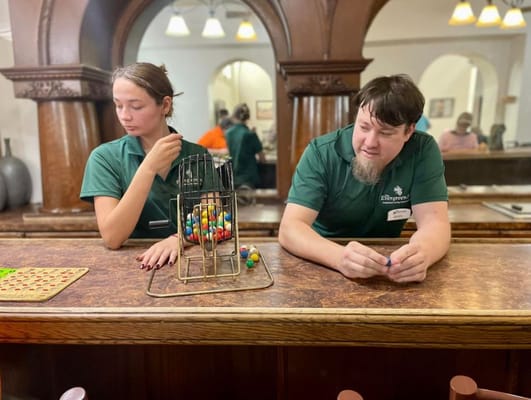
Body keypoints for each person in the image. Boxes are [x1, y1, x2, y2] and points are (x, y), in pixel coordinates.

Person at [278, 74, 450, 283]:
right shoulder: (321, 153)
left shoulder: (423, 150)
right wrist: (339, 257)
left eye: (385, 133)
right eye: (364, 127)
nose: (369, 142)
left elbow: (435, 222)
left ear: (409, 131)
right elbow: (290, 228)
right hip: (322, 259)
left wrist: (423, 253)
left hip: (389, 267)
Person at [80, 62, 209, 270]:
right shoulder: (104, 158)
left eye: (136, 106)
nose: (124, 115)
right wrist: (148, 168)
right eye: (118, 105)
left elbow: (213, 218)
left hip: (192, 264)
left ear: (165, 105)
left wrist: (180, 238)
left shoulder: (198, 155)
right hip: (134, 266)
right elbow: (112, 237)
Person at [225, 103, 265, 189]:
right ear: (247, 117)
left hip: (234, 178)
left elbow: (230, 153)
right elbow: (262, 159)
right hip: (249, 178)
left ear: (234, 115)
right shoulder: (250, 134)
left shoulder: (228, 133)